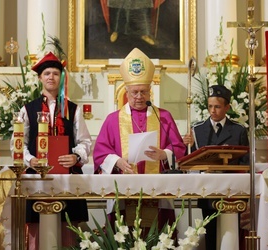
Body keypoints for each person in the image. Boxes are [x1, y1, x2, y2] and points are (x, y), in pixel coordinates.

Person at [93, 47, 186, 236]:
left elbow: (179, 148)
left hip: (158, 190)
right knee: (124, 237)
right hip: (124, 189)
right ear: (126, 91)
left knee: (159, 237)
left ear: (150, 91)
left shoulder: (164, 117)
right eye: (134, 92)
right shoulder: (113, 119)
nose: (139, 97)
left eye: (143, 92)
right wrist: (117, 161)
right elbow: (100, 153)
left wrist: (164, 154)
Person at [14, 52, 92, 249]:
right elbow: (18, 144)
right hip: (36, 178)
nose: (51, 77)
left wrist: (75, 157)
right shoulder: (27, 109)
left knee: (69, 229)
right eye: (47, 73)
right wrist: (30, 160)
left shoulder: (73, 109)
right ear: (40, 78)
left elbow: (85, 142)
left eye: (55, 73)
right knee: (35, 229)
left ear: (61, 77)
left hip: (67, 177)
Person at [183, 84, 249, 250]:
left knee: (231, 231)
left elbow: (245, 162)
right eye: (210, 106)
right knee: (210, 231)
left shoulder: (238, 130)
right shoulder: (197, 129)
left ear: (227, 107)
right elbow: (188, 161)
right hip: (208, 190)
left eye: (218, 107)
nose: (213, 111)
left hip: (231, 191)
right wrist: (187, 146)